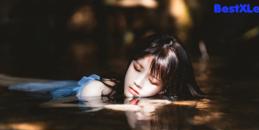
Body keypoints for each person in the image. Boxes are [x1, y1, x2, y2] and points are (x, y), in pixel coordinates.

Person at [9, 34, 204, 100]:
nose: (138, 82)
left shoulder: (169, 95)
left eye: (153, 81)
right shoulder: (94, 90)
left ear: (166, 87)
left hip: (95, 85)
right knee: (17, 86)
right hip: (78, 88)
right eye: (136, 68)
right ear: (129, 62)